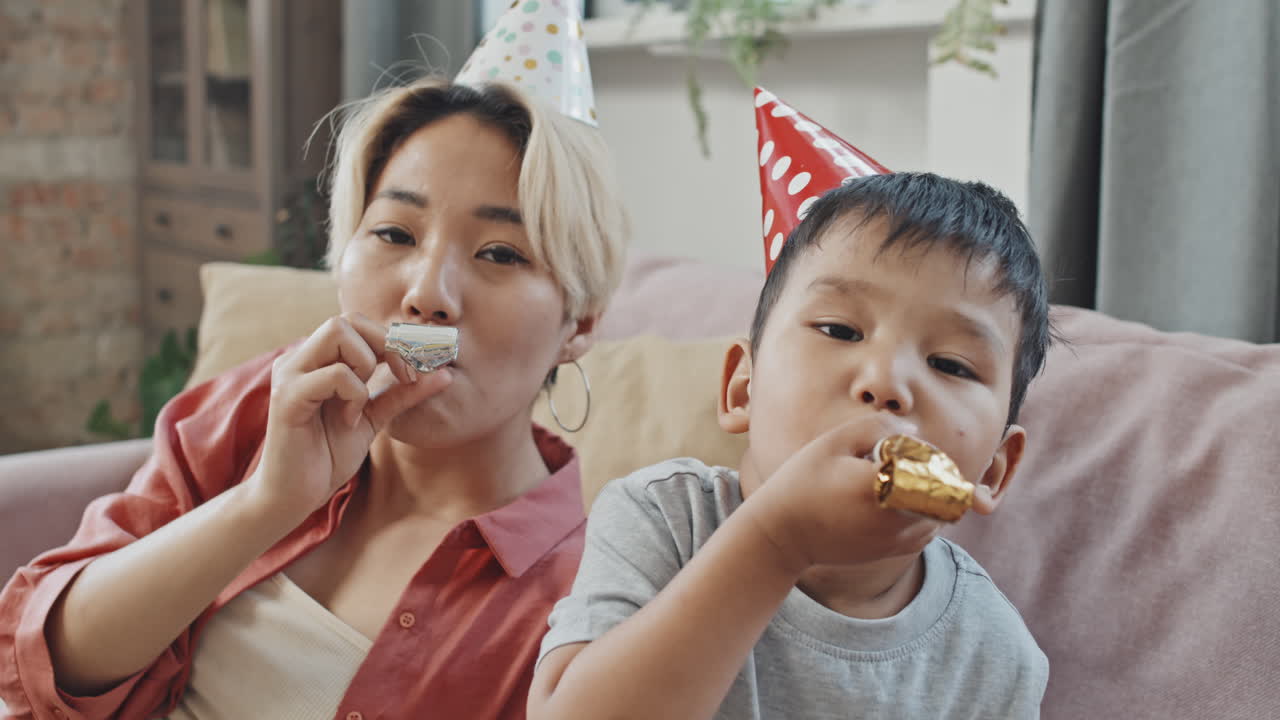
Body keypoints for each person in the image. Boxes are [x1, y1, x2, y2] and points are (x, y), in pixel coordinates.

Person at [0, 5, 627, 714]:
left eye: (499, 253)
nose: (427, 295)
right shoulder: (259, 408)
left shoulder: (587, 596)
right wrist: (266, 502)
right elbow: (42, 665)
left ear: (580, 323)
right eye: (394, 232)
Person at [528, 162, 1052, 717]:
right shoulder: (663, 518)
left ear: (993, 471)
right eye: (840, 330)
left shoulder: (997, 654)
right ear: (741, 388)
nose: (885, 382)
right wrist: (778, 541)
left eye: (950, 364)